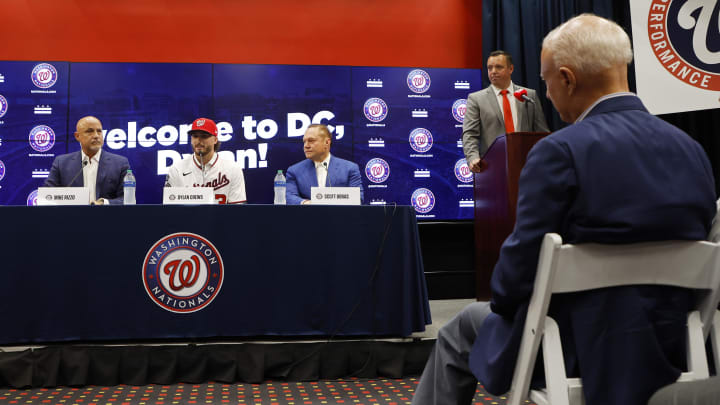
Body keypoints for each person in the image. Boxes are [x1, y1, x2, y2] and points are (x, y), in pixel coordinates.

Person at [412, 14, 716, 405]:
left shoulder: (559, 152)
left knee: (463, 326)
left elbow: (512, 283)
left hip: (574, 348)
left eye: (546, 81)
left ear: (568, 79)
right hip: (678, 343)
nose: (548, 93)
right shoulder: (692, 150)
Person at [462, 50, 549, 172]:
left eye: (498, 67)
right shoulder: (476, 99)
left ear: (511, 69)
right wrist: (473, 158)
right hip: (492, 167)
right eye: (489, 68)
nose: (493, 71)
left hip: (527, 165)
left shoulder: (528, 95)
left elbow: (541, 132)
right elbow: (470, 134)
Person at [45, 116, 130, 205]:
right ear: (77, 136)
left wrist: (104, 203)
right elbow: (47, 196)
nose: (96, 136)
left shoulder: (120, 163)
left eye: (99, 131)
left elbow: (127, 199)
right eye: (90, 131)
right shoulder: (61, 163)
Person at [165, 117, 247, 204]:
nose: (198, 141)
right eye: (195, 136)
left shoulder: (233, 169)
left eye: (204, 136)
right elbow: (170, 210)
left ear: (215, 140)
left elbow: (238, 210)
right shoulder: (176, 169)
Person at [285, 124, 363, 205]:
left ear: (327, 142)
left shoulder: (349, 168)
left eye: (311, 141)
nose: (306, 146)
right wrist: (308, 203)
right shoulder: (294, 171)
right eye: (304, 141)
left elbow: (358, 198)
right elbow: (289, 197)